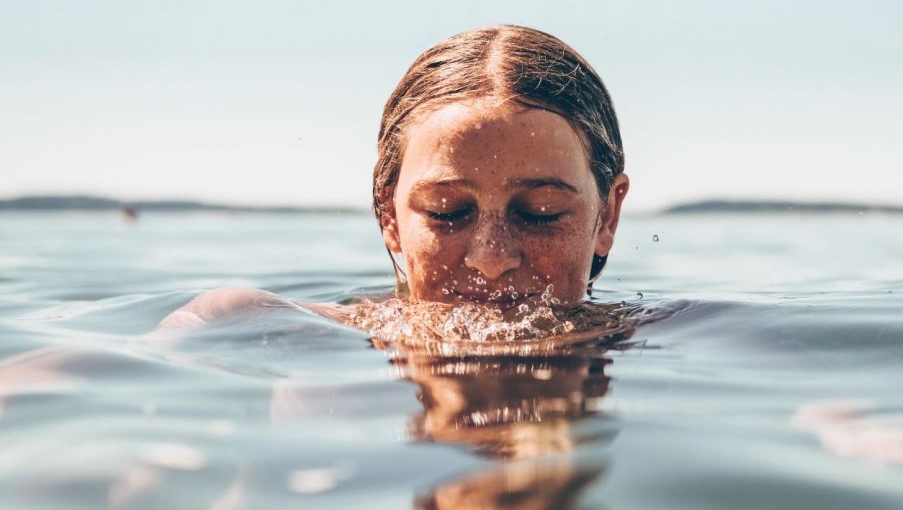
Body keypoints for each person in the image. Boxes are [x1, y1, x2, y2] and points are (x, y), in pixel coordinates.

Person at [161, 24, 631, 331]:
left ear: (607, 217)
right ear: (390, 216)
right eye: (448, 212)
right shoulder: (256, 324)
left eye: (539, 213)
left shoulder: (672, 337)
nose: (491, 258)